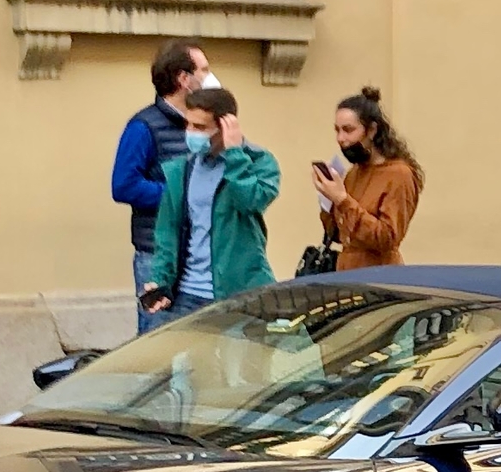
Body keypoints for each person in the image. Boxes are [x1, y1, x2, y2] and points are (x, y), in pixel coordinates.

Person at [141, 85, 280, 320]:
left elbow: (251, 202)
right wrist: (161, 280)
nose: (191, 133)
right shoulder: (181, 169)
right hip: (187, 295)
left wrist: (235, 154)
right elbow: (167, 231)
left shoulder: (259, 162)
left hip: (238, 293)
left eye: (200, 127)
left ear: (226, 126)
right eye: (188, 124)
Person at [113, 40, 220, 332]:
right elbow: (124, 185)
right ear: (184, 79)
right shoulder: (144, 126)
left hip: (200, 255)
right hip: (157, 255)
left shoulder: (206, 124)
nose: (211, 77)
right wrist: (177, 196)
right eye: (205, 70)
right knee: (158, 344)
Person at [308, 85, 422, 269]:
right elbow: (338, 235)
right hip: (347, 276)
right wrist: (327, 200)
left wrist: (342, 200)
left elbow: (387, 238)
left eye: (348, 130)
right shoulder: (354, 173)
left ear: (371, 130)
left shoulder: (399, 174)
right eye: (337, 130)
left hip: (379, 278)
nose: (340, 138)